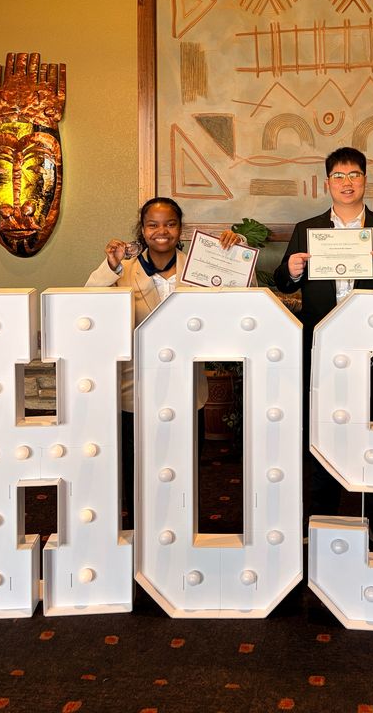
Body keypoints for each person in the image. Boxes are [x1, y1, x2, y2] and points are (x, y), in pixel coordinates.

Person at [273, 147, 373, 552]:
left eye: (354, 175)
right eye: (338, 176)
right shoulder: (306, 229)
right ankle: (320, 522)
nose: (347, 182)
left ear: (365, 180)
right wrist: (292, 271)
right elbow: (283, 280)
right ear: (327, 182)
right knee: (322, 437)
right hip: (323, 350)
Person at [85, 196, 242, 527]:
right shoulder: (122, 270)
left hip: (188, 389)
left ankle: (181, 530)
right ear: (142, 230)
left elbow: (241, 301)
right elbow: (88, 301)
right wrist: (110, 265)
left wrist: (236, 256)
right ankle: (139, 533)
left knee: (183, 467)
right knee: (135, 467)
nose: (162, 231)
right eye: (153, 224)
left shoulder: (201, 265)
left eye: (170, 224)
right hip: (136, 389)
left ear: (180, 228)